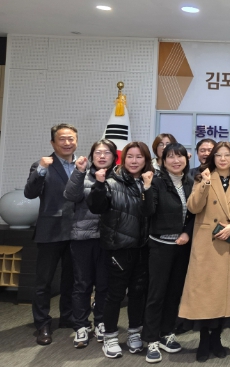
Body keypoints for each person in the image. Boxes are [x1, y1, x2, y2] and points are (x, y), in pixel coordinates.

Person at [178, 141, 230, 362]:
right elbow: (193, 207)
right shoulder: (202, 177)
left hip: (228, 242)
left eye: (227, 155)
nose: (223, 159)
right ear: (212, 158)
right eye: (219, 155)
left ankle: (216, 339)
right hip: (206, 243)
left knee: (222, 294)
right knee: (204, 293)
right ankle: (204, 340)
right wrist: (205, 183)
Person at [86, 142, 154, 359]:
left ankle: (134, 333)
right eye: (130, 157)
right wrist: (98, 184)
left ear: (146, 160)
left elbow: (151, 212)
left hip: (142, 248)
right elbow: (96, 207)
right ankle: (110, 337)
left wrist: (148, 188)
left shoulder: (149, 181)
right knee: (114, 295)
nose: (134, 161)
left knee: (137, 294)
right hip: (118, 248)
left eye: (139, 157)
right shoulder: (110, 181)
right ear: (123, 159)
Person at [141, 143, 195, 363]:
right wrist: (146, 188)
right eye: (170, 157)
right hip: (160, 245)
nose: (176, 160)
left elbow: (194, 214)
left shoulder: (190, 182)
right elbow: (148, 212)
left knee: (174, 293)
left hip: (182, 247)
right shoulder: (156, 182)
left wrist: (187, 233)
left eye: (179, 156)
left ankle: (166, 333)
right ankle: (151, 339)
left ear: (186, 160)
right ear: (163, 161)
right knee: (156, 294)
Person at [24, 123, 78, 346]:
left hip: (76, 231)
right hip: (50, 231)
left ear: (76, 141)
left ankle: (68, 317)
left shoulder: (83, 164)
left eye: (71, 138)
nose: (67, 143)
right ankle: (42, 324)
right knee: (43, 281)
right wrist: (41, 170)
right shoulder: (42, 165)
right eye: (62, 139)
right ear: (53, 143)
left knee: (71, 280)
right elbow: (30, 193)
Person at [63, 138, 117, 348]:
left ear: (114, 156)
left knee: (104, 284)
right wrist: (79, 172)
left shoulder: (119, 177)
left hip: (108, 239)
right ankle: (81, 325)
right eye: (98, 152)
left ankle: (101, 322)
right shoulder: (83, 174)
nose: (102, 156)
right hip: (83, 237)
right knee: (82, 284)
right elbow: (70, 195)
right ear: (92, 156)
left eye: (107, 152)